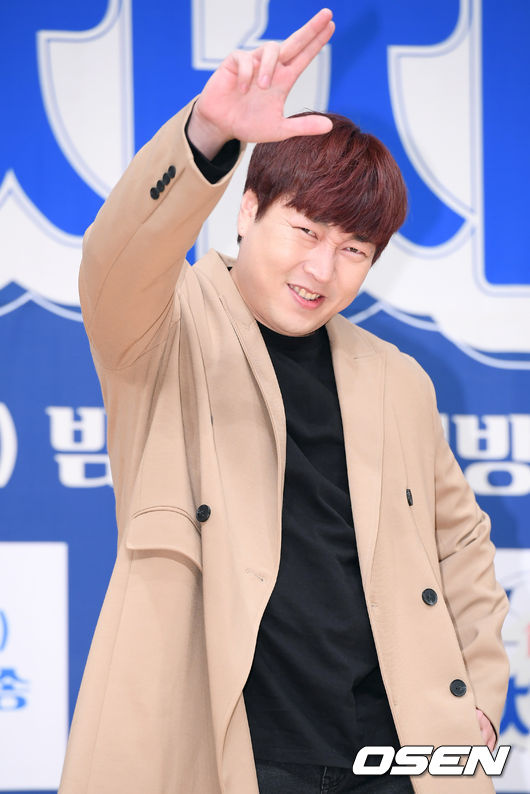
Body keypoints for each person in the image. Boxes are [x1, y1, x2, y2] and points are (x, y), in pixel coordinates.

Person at [58, 9, 509, 794]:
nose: (322, 270)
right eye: (305, 229)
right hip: (226, 750)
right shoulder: (164, 326)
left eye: (353, 249)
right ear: (247, 211)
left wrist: (478, 711)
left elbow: (462, 545)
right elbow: (115, 260)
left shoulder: (396, 377)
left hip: (391, 756)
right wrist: (206, 136)